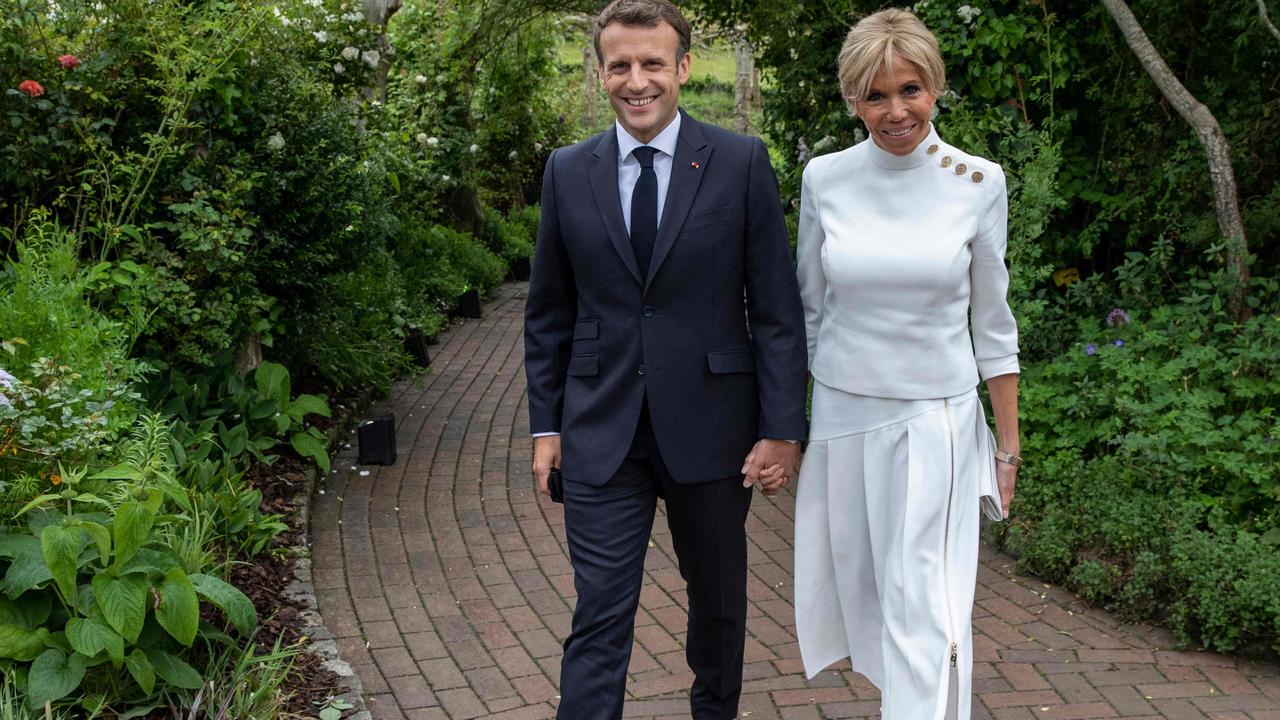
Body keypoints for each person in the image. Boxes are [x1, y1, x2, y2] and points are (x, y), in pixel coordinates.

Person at [522, 1, 808, 718]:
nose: (636, 80)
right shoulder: (566, 171)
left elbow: (775, 310)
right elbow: (548, 313)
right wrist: (545, 427)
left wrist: (783, 428)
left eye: (653, 63)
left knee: (716, 609)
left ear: (682, 68)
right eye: (620, 65)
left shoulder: (740, 163)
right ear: (601, 73)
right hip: (600, 429)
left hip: (713, 430)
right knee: (600, 613)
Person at [792, 8, 1022, 720]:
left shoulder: (978, 182)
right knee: (865, 597)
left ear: (935, 88)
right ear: (852, 99)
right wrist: (789, 426)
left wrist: (1008, 448)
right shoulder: (824, 180)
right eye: (875, 95)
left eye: (911, 90)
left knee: (926, 603)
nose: (895, 111)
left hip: (936, 422)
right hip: (843, 416)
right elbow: (808, 310)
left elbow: (993, 325)